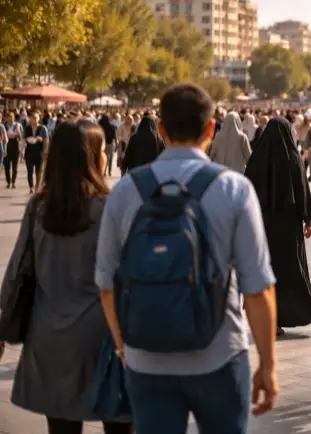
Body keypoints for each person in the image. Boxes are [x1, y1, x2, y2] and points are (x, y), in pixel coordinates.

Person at [95, 84, 279, 433]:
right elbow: (258, 288)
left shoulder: (125, 190)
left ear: (160, 128)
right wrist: (267, 365)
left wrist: (123, 345)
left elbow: (106, 282)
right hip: (219, 353)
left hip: (147, 359)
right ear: (211, 128)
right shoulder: (234, 189)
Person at [0, 121, 132, 434]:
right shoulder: (111, 208)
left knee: (61, 428)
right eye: (102, 150)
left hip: (49, 337)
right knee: (120, 424)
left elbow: (16, 272)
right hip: (105, 338)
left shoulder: (39, 207)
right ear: (92, 157)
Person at [244, 116, 311, 335]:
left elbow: (247, 191)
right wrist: (308, 221)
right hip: (288, 229)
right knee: (290, 272)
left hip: (263, 227)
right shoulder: (293, 159)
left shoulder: (257, 159)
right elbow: (302, 191)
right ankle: (291, 314)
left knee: (266, 272)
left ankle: (269, 318)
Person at [23, 112, 49, 193]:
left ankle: (37, 186)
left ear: (38, 119)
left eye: (35, 118)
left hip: (39, 152)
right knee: (29, 170)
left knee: (39, 171)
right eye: (32, 118)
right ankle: (31, 186)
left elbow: (46, 140)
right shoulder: (27, 128)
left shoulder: (43, 128)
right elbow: (23, 139)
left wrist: (45, 151)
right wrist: (22, 151)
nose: (33, 120)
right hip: (29, 152)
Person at [4, 111, 22, 188]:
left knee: (15, 167)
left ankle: (13, 182)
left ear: (13, 117)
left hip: (15, 146)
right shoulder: (4, 126)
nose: (9, 119)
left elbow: (20, 137)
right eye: (8, 117)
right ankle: (8, 182)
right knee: (6, 166)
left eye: (11, 117)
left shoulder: (17, 125)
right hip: (6, 146)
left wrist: (18, 132)